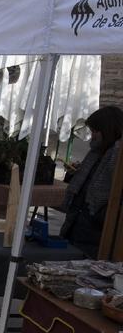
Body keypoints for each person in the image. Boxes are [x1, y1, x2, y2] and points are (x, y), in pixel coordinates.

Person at [61, 105, 123, 252]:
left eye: (95, 131)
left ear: (108, 130)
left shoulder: (118, 156)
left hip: (96, 230)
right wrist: (74, 173)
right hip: (76, 222)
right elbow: (87, 182)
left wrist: (101, 214)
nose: (92, 135)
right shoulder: (95, 152)